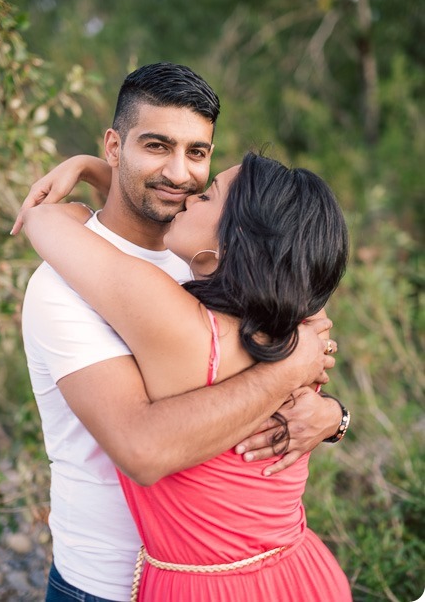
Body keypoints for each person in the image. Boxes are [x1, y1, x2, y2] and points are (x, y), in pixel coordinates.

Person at [17, 62, 345, 602]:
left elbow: (46, 218)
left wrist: (334, 416)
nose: (180, 176)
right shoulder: (62, 285)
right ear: (115, 145)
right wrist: (289, 371)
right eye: (155, 146)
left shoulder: (198, 262)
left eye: (197, 154)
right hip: (103, 582)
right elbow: (143, 449)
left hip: (208, 574)